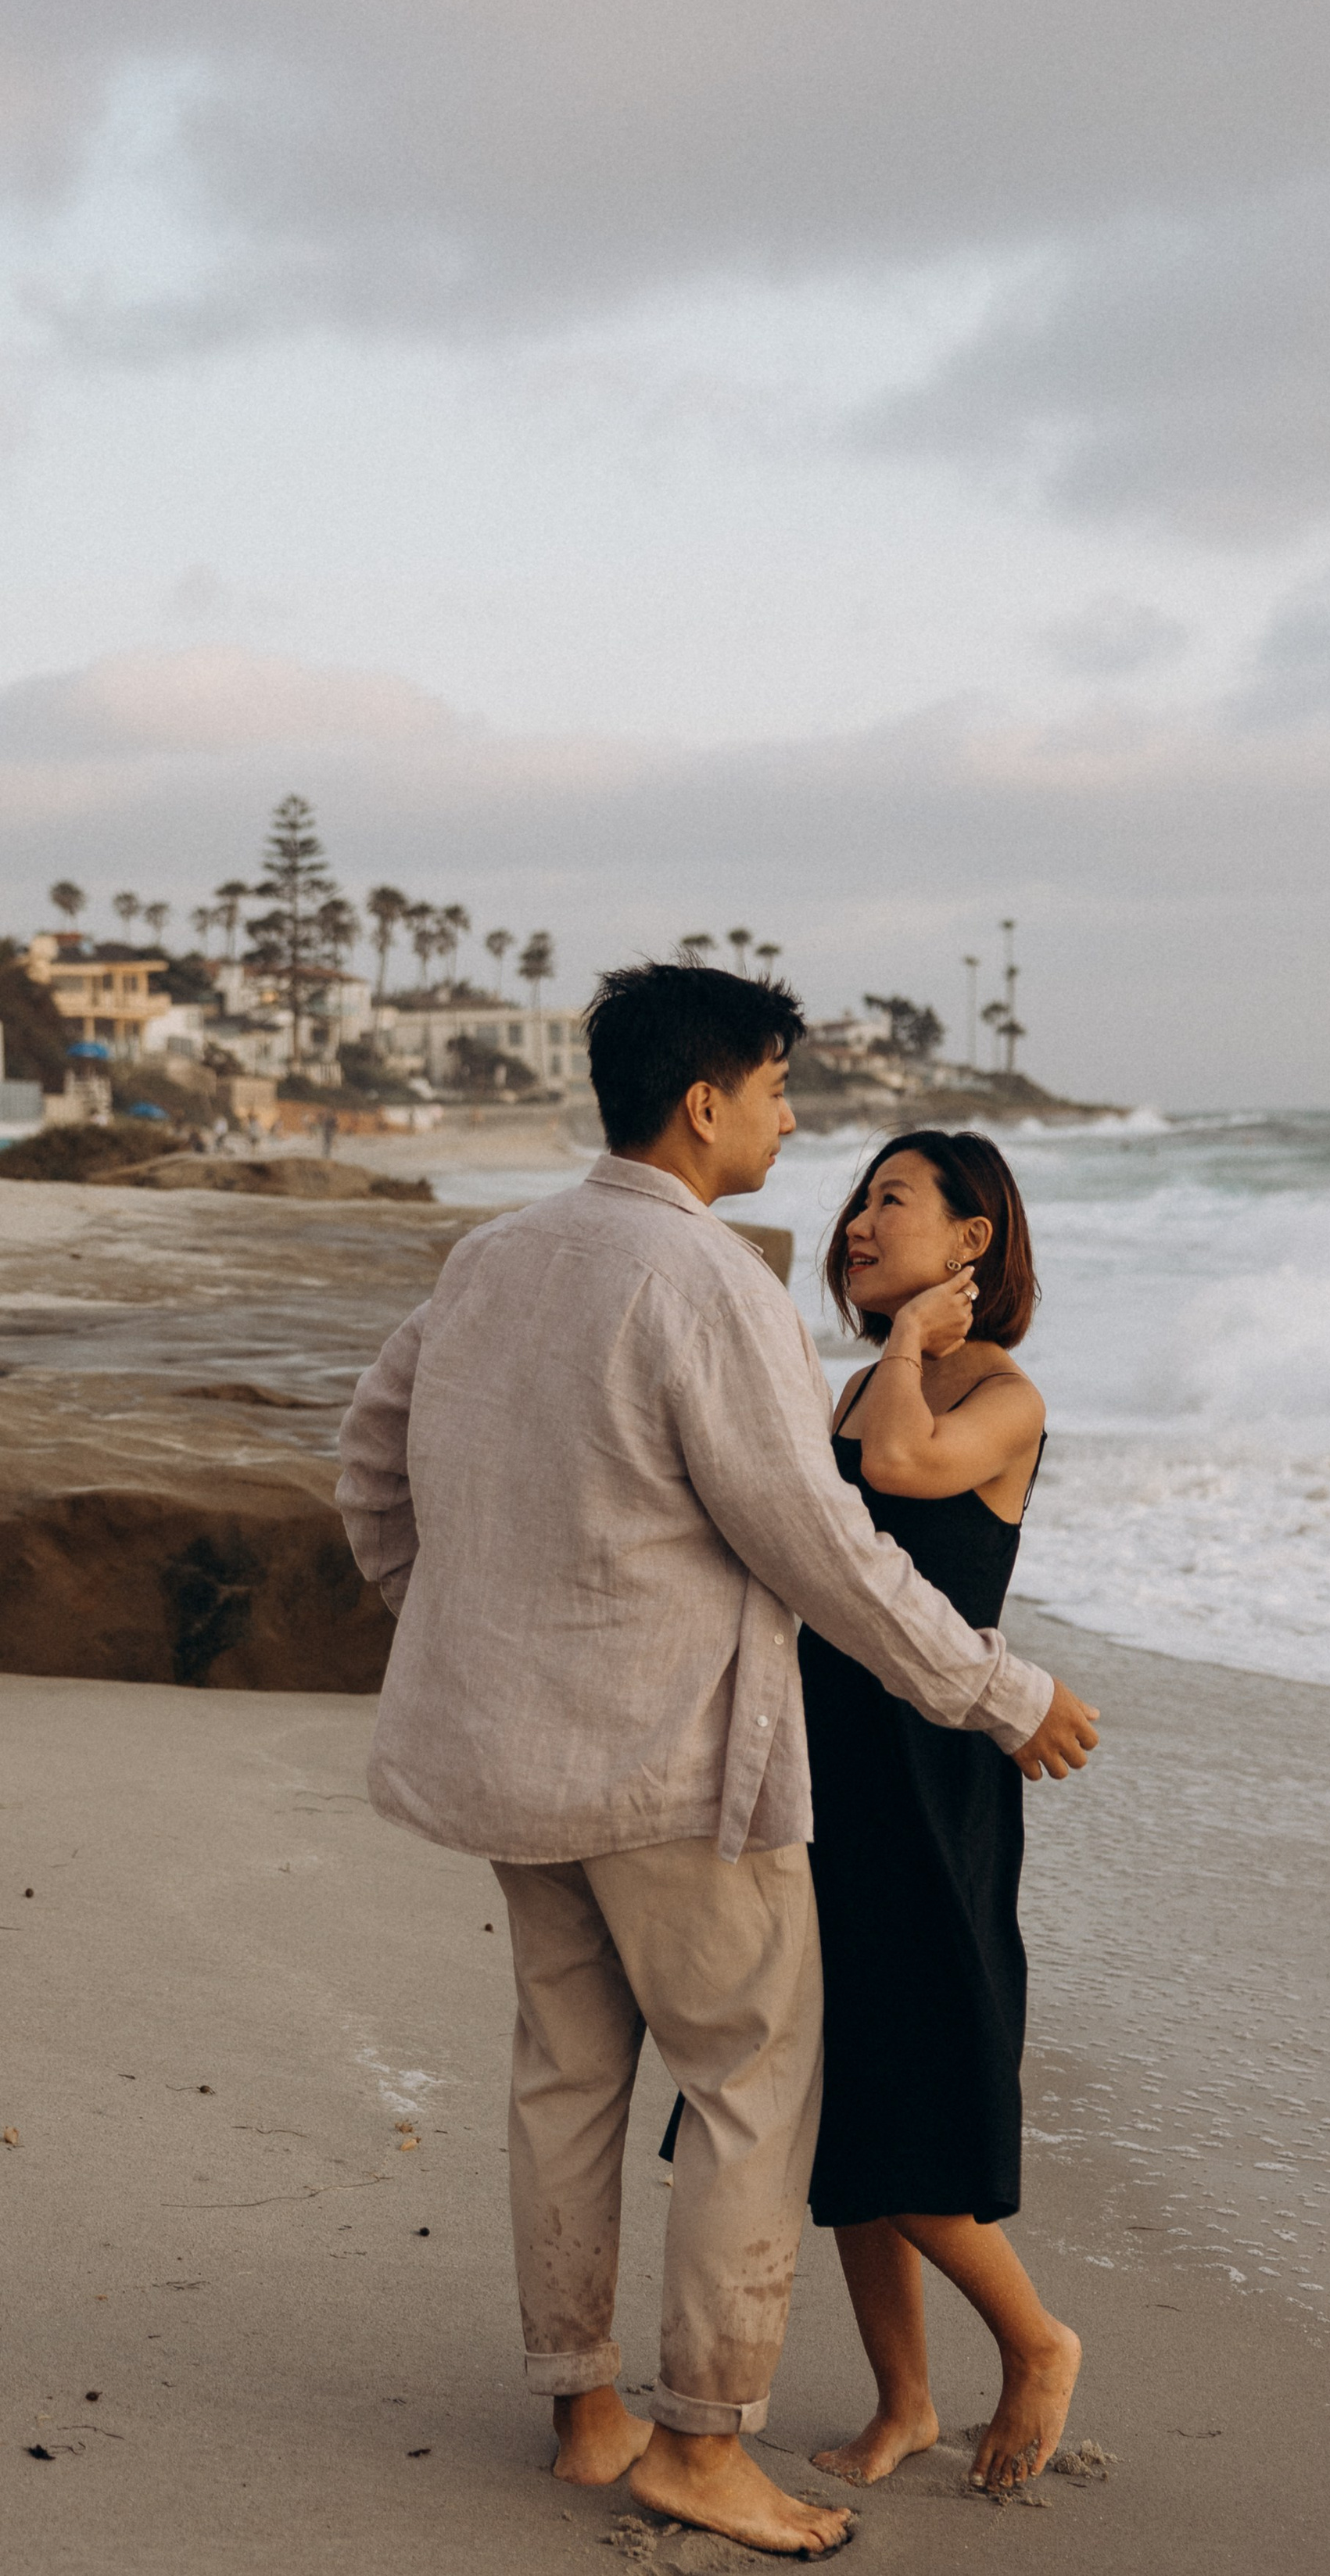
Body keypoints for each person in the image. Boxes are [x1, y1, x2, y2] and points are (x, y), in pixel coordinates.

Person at [334, 963, 1099, 2560]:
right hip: (672, 1765)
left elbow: (367, 1467)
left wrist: (462, 1631)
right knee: (757, 2086)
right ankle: (698, 2443)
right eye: (772, 1088)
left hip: (508, 1754)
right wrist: (997, 1691)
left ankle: (583, 2415)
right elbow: (818, 1543)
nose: (788, 1116)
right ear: (703, 1102)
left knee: (563, 2079)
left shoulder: (489, 1259)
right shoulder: (708, 1282)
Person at [801, 1132, 1083, 2496]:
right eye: (857, 1197)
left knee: (900, 2091)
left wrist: (912, 1337)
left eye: (892, 1200)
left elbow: (907, 1469)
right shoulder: (862, 1379)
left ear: (974, 1241)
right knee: (837, 2106)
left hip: (930, 1772)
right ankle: (904, 2401)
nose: (858, 1218)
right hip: (823, 1764)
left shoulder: (998, 1395)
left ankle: (1034, 2341)